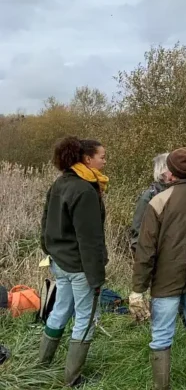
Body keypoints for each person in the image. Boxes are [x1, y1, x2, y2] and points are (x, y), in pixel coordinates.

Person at [131, 147, 186, 390]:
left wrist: (137, 289)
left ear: (171, 172)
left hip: (166, 280)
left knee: (161, 335)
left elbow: (145, 250)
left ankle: (162, 387)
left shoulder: (158, 201)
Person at [39, 137, 108, 387]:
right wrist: (97, 277)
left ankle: (41, 364)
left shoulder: (59, 183)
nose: (105, 161)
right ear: (86, 159)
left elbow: (44, 223)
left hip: (60, 261)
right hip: (80, 267)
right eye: (102, 156)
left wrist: (51, 251)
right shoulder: (84, 190)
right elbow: (90, 240)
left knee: (60, 310)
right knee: (85, 318)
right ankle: (73, 379)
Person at [130, 153, 171, 256]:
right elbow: (137, 230)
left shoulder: (181, 192)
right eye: (172, 166)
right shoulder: (149, 197)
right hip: (157, 256)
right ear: (163, 170)